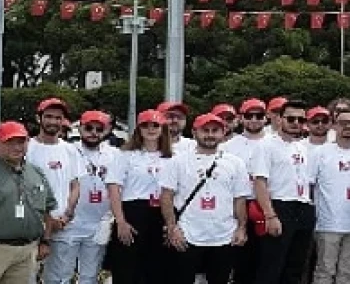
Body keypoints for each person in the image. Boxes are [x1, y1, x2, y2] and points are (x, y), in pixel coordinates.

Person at [160, 113, 251, 284]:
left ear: (223, 133)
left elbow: (239, 199)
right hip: (187, 235)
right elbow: (166, 197)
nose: (210, 135)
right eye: (205, 130)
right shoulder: (178, 161)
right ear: (194, 132)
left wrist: (241, 228)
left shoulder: (235, 163)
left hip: (224, 236)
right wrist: (172, 228)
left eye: (215, 130)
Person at [0, 121, 55, 284]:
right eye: (10, 142)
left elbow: (48, 208)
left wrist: (45, 241)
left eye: (21, 142)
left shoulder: (36, 172)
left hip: (27, 251)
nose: (16, 147)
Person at [47, 110, 117, 284]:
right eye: (89, 128)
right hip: (69, 222)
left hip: (98, 224)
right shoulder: (67, 150)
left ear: (106, 130)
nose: (94, 132)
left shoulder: (115, 154)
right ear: (80, 129)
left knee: (90, 276)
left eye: (99, 129)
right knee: (60, 276)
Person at [252, 100, 317, 284]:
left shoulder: (305, 147)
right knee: (272, 265)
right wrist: (270, 215)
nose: (296, 123)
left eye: (301, 119)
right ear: (279, 119)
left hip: (303, 206)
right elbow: (260, 182)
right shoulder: (266, 145)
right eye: (291, 118)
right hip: (280, 206)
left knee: (295, 267)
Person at [107, 109, 173, 284]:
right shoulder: (125, 155)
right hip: (133, 213)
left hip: (161, 214)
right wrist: (120, 221)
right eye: (145, 125)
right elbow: (114, 188)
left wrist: (171, 224)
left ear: (162, 128)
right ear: (138, 129)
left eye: (155, 125)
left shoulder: (172, 158)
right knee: (127, 270)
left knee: (157, 270)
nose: (151, 129)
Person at [311, 107, 350, 284]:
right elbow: (309, 183)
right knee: (324, 271)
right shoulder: (320, 153)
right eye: (343, 123)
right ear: (334, 126)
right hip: (328, 223)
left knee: (348, 272)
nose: (348, 127)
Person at [25, 98, 80, 273]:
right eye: (48, 117)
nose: (53, 122)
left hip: (62, 224)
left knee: (59, 277)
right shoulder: (27, 148)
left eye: (58, 118)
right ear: (38, 118)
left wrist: (67, 215)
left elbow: (75, 185)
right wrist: (44, 219)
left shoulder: (70, 150)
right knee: (28, 276)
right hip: (33, 223)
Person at [225, 98, 270, 284]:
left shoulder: (273, 142)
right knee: (241, 259)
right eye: (249, 116)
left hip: (267, 205)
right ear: (241, 118)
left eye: (258, 115)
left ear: (265, 118)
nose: (254, 119)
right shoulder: (228, 146)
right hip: (240, 204)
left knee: (267, 259)